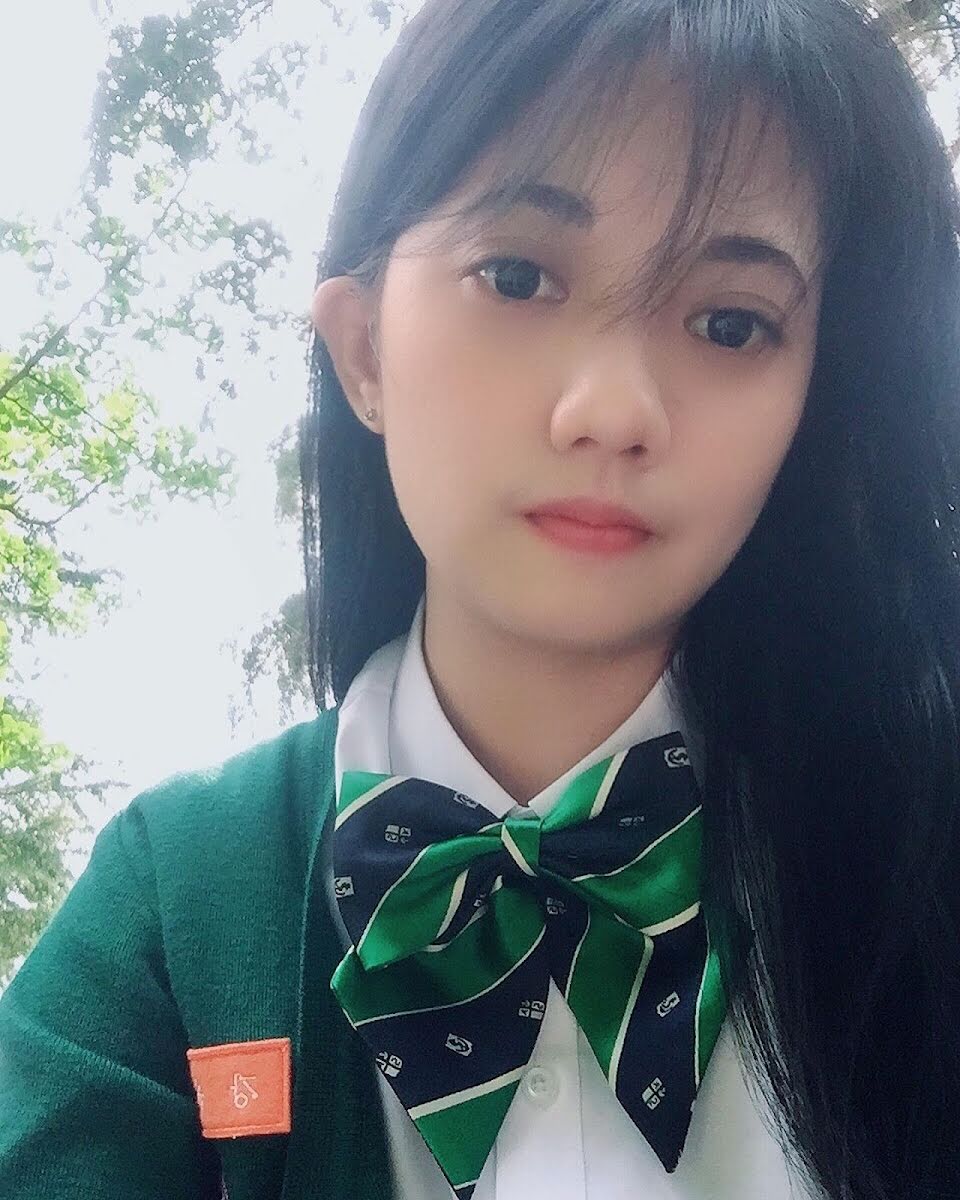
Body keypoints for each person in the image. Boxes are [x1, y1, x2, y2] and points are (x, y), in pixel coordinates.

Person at [2, 0, 959, 1196]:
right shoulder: (177, 901)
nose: (614, 410)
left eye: (731, 323)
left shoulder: (924, 847)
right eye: (517, 276)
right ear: (363, 350)